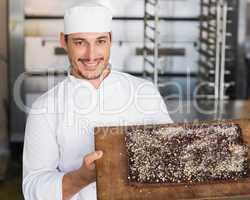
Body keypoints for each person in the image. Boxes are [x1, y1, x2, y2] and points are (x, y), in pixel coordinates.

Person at [22, 0, 173, 199]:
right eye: (80, 42)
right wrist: (82, 177)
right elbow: (33, 188)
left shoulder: (144, 92)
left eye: (100, 41)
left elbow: (172, 157)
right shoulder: (44, 108)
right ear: (63, 42)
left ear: (110, 40)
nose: (91, 55)